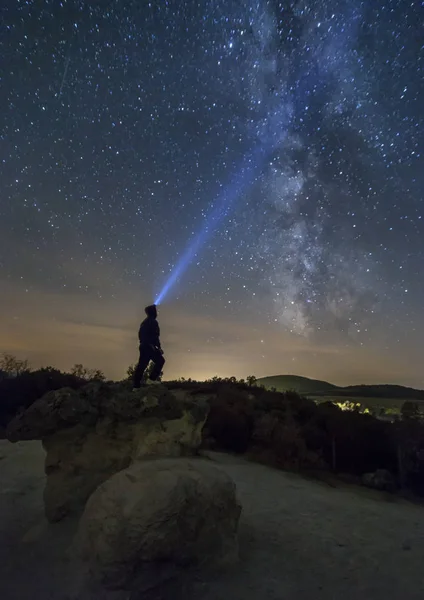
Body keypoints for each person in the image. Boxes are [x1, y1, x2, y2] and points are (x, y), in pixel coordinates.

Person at [133, 304, 165, 388]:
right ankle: (151, 380)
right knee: (160, 361)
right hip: (149, 346)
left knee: (142, 366)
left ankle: (136, 386)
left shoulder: (144, 322)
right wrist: (157, 347)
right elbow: (155, 336)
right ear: (153, 312)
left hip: (143, 346)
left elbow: (141, 335)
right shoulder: (153, 322)